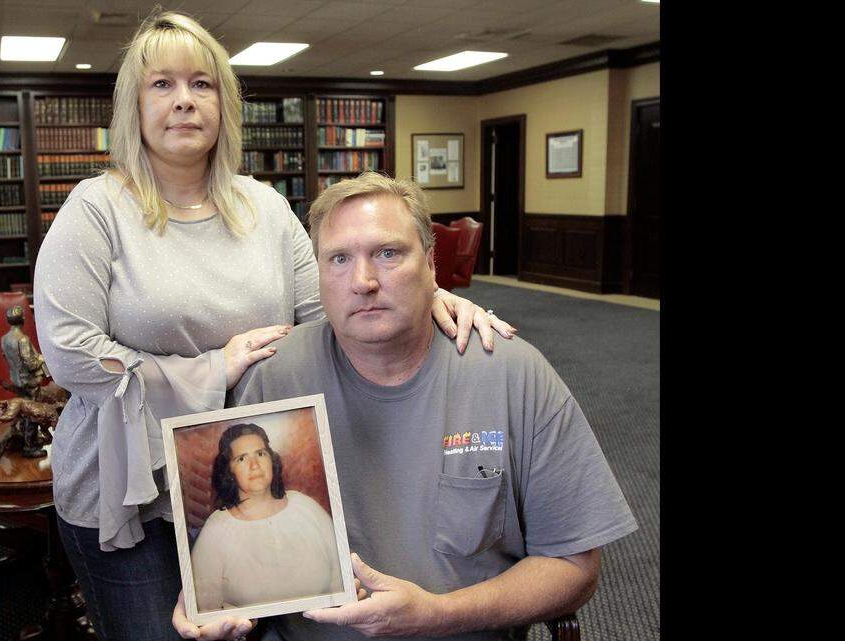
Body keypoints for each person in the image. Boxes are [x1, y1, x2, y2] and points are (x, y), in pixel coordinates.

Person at [33, 11, 514, 641]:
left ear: (225, 104)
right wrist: (213, 371)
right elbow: (70, 353)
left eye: (202, 85)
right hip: (133, 488)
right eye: (162, 85)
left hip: (263, 476)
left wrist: (424, 303)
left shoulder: (263, 206)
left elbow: (333, 314)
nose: (184, 101)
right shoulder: (95, 209)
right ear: (133, 105)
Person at [172, 172, 638, 641]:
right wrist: (210, 608)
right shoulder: (276, 377)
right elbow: (227, 568)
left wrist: (438, 614)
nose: (363, 281)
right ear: (316, 274)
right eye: (338, 259)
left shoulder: (512, 374)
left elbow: (574, 567)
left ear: (432, 264)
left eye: (388, 254)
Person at [190, 424, 342, 614]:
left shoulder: (305, 506)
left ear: (272, 460)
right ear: (228, 471)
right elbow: (205, 608)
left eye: (260, 454)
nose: (254, 465)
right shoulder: (216, 529)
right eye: (242, 458)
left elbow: (340, 576)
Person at [0, 305, 48, 401]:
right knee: (47, 361)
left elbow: (5, 356)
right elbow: (30, 364)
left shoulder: (4, 339)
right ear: (22, 319)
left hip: (14, 378)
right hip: (27, 380)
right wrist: (43, 359)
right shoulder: (23, 339)